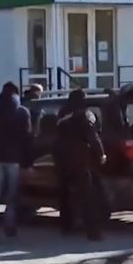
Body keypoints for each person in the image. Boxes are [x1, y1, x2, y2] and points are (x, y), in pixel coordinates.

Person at [0, 82, 32, 243]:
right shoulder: (22, 113)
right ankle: (10, 227)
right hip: (14, 160)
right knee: (11, 195)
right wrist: (27, 160)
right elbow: (27, 138)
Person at [54, 89, 107, 241]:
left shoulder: (62, 113)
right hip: (80, 159)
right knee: (87, 196)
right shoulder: (85, 114)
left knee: (64, 193)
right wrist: (101, 153)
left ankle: (66, 226)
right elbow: (92, 135)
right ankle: (93, 232)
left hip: (62, 158)